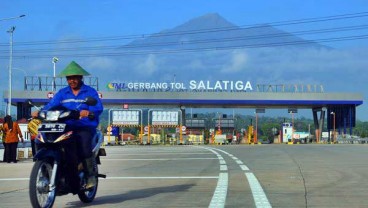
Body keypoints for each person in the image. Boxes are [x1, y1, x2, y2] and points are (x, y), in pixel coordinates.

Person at [32, 61, 103, 190]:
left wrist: (89, 112)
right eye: (69, 78)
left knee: (84, 147)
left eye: (75, 77)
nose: (72, 81)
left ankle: (90, 175)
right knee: (43, 140)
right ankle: (48, 169)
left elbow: (98, 107)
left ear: (81, 77)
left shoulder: (90, 92)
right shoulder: (62, 93)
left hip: (84, 127)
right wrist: (41, 111)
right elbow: (51, 105)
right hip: (65, 126)